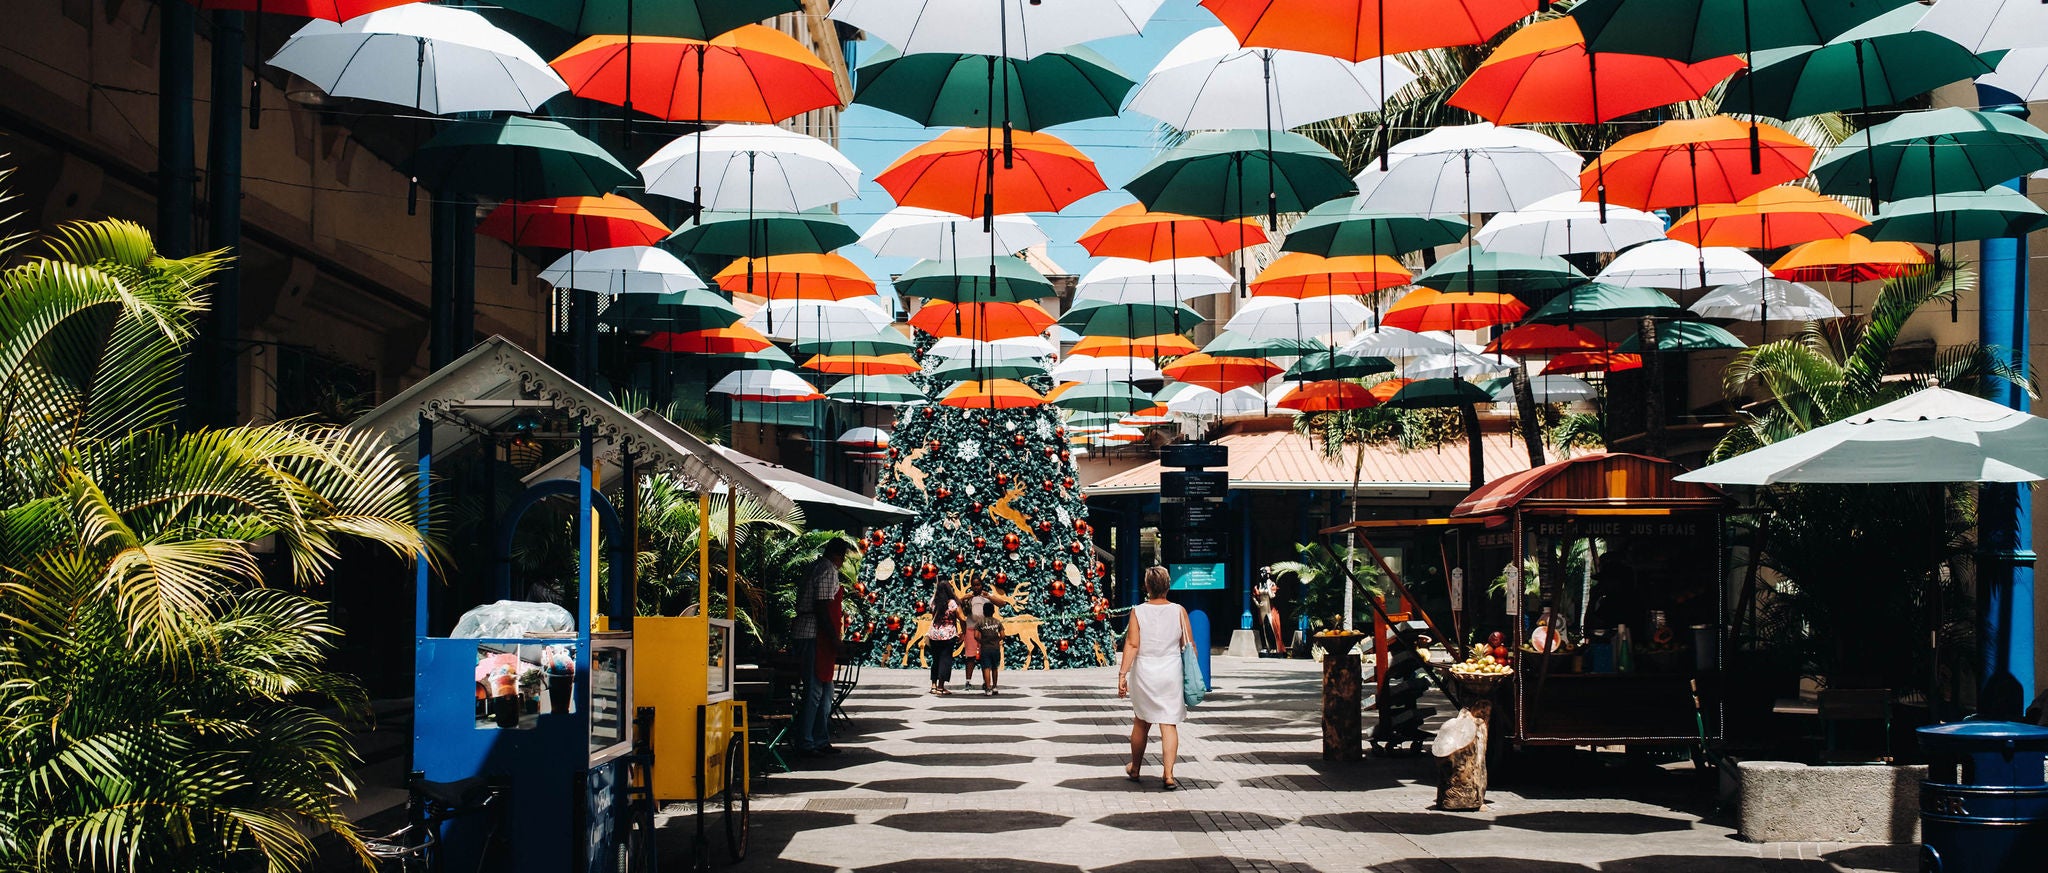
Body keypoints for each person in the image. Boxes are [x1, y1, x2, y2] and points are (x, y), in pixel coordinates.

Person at [1119, 565, 1192, 790]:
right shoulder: (1179, 610)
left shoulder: (1138, 611)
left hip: (1145, 672)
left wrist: (1122, 674)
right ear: (1168, 586)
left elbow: (1132, 644)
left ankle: (1136, 768)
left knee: (1141, 722)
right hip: (1170, 671)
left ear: (1147, 586)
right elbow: (1188, 645)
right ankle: (1168, 774)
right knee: (1168, 723)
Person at [792, 537, 854, 757]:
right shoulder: (827, 569)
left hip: (810, 632)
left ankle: (820, 738)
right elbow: (822, 606)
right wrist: (834, 639)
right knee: (815, 690)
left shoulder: (815, 566)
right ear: (838, 555)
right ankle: (806, 741)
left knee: (825, 689)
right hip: (815, 634)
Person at [962, 575, 1013, 696]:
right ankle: (968, 681)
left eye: (978, 585)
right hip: (971, 628)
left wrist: (989, 596)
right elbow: (956, 604)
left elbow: (1002, 603)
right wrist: (965, 597)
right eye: (974, 585)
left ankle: (987, 683)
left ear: (982, 585)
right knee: (970, 656)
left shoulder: (987, 596)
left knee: (986, 658)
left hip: (985, 630)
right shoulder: (969, 597)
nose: (976, 587)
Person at [925, 578, 962, 695]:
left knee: (935, 660)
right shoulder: (951, 603)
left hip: (934, 635)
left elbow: (932, 616)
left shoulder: (933, 602)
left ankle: (933, 686)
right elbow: (961, 617)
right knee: (945, 660)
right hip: (948, 635)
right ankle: (941, 687)